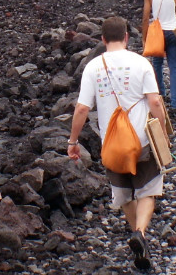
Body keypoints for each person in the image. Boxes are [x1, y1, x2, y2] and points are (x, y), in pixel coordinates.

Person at [67, 16, 169, 270]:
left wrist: (73, 141)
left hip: (112, 145)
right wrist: (164, 132)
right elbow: (155, 102)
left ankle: (136, 236)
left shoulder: (93, 67)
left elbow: (81, 109)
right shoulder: (141, 62)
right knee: (149, 190)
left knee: (124, 195)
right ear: (126, 37)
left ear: (102, 39)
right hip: (143, 140)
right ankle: (141, 234)